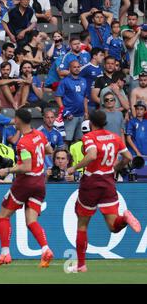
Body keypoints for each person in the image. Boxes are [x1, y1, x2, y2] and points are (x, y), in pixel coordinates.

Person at [66, 110, 141, 273]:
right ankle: (125, 218)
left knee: (82, 224)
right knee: (114, 226)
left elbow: (92, 155)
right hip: (108, 183)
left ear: (91, 123)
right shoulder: (114, 137)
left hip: (91, 183)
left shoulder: (89, 137)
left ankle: (81, 265)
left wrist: (74, 167)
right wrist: (115, 168)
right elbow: (128, 157)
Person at [0, 108, 54, 268]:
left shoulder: (23, 143)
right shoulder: (40, 135)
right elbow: (49, 150)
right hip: (39, 183)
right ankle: (45, 249)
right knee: (31, 221)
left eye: (14, 119)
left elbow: (25, 167)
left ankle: (5, 254)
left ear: (18, 120)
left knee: (3, 215)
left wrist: (8, 170)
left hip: (25, 183)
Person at [55, 60, 87, 146]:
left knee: (79, 141)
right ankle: (64, 158)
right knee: (67, 140)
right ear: (69, 69)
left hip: (81, 115)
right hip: (70, 115)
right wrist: (64, 110)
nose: (77, 69)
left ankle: (77, 159)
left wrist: (86, 112)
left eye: (78, 67)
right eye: (74, 67)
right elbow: (58, 96)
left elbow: (85, 98)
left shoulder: (83, 80)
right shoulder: (64, 81)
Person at [79, 47, 105, 113]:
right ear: (94, 56)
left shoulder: (101, 68)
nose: (103, 57)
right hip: (88, 102)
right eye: (101, 55)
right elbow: (76, 80)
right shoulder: (86, 68)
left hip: (97, 102)